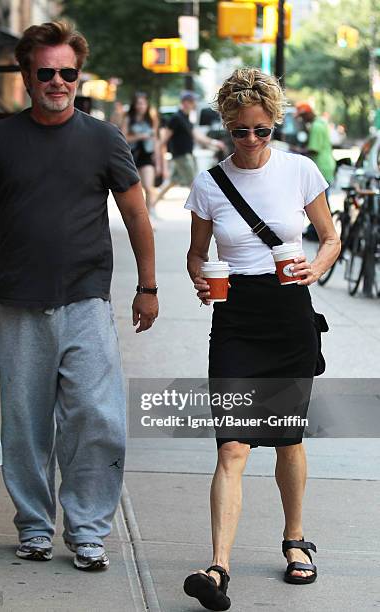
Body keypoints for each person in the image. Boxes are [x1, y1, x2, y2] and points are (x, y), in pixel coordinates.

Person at [0, 20, 158, 572]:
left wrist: (148, 286)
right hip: (17, 302)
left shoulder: (103, 138)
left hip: (86, 300)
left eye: (69, 72)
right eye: (48, 72)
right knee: (25, 422)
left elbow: (137, 212)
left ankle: (88, 530)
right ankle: (35, 527)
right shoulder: (1, 139)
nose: (59, 81)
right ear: (26, 75)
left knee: (97, 416)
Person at [183, 67, 340, 611]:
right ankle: (218, 567)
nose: (250, 141)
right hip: (235, 318)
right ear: (225, 127)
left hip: (289, 313)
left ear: (275, 124)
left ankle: (295, 540)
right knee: (232, 443)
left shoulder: (300, 171)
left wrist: (315, 269)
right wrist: (200, 279)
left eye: (260, 130)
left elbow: (330, 238)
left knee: (287, 438)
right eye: (238, 131)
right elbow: (197, 254)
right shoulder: (209, 183)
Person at [154, 92, 225, 204]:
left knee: (171, 182)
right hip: (181, 155)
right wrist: (158, 159)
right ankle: (205, 207)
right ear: (186, 103)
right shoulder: (176, 118)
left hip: (184, 155)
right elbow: (164, 139)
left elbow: (196, 135)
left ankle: (151, 206)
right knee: (194, 183)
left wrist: (213, 142)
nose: (195, 104)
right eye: (193, 101)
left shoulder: (185, 117)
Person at [295, 102, 336, 241]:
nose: (302, 120)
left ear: (308, 114)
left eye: (302, 117)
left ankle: (320, 232)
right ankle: (315, 231)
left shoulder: (317, 127)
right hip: (326, 165)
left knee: (320, 203)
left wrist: (296, 151)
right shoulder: (319, 123)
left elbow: (313, 149)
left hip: (322, 166)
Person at [122, 92, 160, 220]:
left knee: (149, 188)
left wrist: (158, 160)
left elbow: (155, 139)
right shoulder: (128, 118)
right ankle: (137, 216)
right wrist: (140, 136)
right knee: (135, 189)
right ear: (134, 105)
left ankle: (148, 218)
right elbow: (123, 137)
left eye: (143, 103)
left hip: (147, 156)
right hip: (132, 156)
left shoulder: (151, 118)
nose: (141, 106)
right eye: (138, 103)